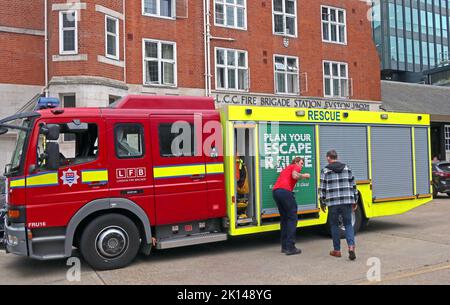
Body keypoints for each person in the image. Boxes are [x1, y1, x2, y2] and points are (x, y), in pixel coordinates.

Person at [319, 150, 358, 261]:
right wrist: (355, 200)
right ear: (337, 157)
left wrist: (322, 202)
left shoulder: (325, 170)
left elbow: (322, 188)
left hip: (333, 203)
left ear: (328, 158)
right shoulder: (347, 168)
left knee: (335, 225)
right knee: (348, 224)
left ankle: (337, 250)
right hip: (347, 201)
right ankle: (351, 247)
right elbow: (354, 185)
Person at [272, 157, 310, 255]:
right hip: (285, 192)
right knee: (293, 218)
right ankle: (290, 247)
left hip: (276, 192)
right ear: (297, 162)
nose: (302, 166)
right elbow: (294, 176)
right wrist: (304, 175)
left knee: (284, 219)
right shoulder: (295, 166)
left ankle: (284, 246)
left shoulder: (287, 168)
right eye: (301, 163)